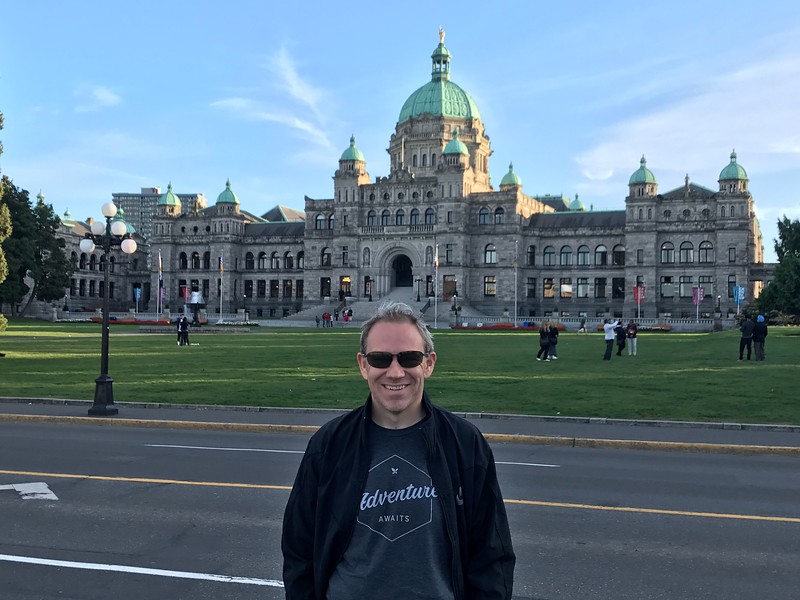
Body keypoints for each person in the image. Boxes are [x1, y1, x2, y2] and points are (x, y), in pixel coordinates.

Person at [281, 302, 515, 599]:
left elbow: (492, 556)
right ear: (363, 365)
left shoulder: (464, 444)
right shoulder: (329, 445)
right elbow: (298, 549)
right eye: (380, 359)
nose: (394, 372)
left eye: (409, 358)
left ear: (428, 363)